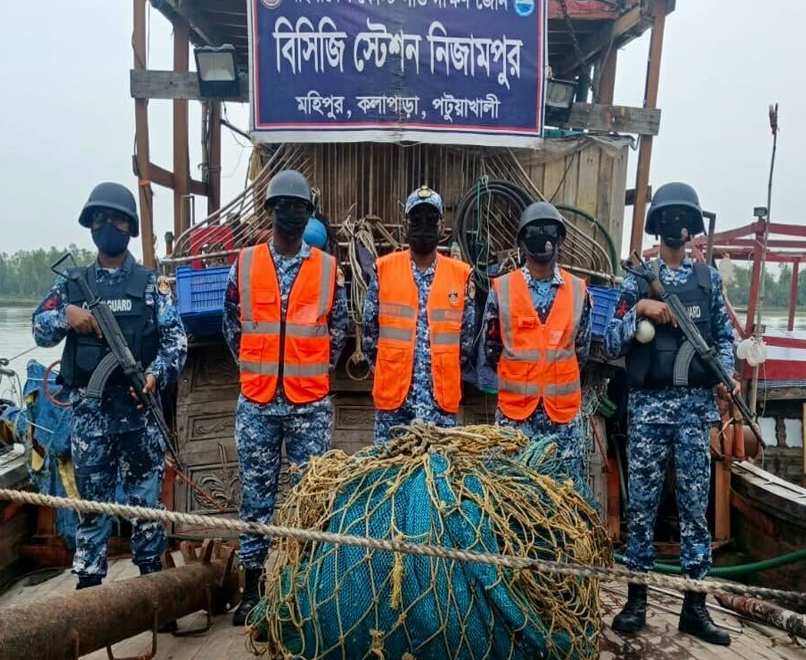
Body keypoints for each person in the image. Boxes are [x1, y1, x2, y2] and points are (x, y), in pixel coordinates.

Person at [31, 181, 187, 589]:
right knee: (91, 513)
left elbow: (176, 342)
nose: (107, 226)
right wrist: (68, 315)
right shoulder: (71, 284)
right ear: (90, 226)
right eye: (100, 219)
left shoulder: (152, 285)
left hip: (138, 415)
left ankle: (151, 591)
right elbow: (39, 329)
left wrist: (154, 377)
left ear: (129, 227)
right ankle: (88, 591)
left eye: (116, 219)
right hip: (90, 416)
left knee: (147, 511)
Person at [604, 180, 737, 646]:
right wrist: (642, 306)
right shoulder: (638, 279)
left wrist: (727, 371)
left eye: (685, 221)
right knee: (640, 508)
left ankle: (694, 606)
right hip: (649, 412)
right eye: (669, 221)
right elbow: (609, 339)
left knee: (694, 510)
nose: (677, 229)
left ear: (693, 228)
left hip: (696, 412)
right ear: (658, 227)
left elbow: (723, 337)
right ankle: (636, 599)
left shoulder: (708, 279)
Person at [223, 169, 349, 626]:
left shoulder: (328, 268)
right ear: (270, 212)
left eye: (299, 208)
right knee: (256, 498)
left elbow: (339, 330)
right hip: (257, 402)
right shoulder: (246, 262)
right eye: (284, 207)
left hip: (308, 405)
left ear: (308, 215)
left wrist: (308, 368)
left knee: (308, 499)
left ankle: (303, 589)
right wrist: (258, 365)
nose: (291, 215)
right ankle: (253, 591)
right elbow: (232, 325)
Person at [476, 201, 594, 506]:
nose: (542, 236)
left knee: (565, 499)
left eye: (549, 230)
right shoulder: (501, 289)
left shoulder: (579, 291)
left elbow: (580, 350)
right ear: (522, 240)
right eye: (534, 230)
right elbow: (491, 348)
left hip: (563, 420)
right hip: (516, 418)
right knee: (512, 498)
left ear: (560, 238)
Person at [362, 186, 480, 442]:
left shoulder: (461, 276)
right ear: (405, 225)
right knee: (390, 477)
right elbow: (369, 337)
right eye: (416, 219)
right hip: (394, 406)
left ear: (441, 227)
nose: (423, 226)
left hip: (440, 405)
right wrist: (390, 370)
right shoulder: (383, 271)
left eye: (430, 219)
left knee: (437, 479)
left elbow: (466, 342)